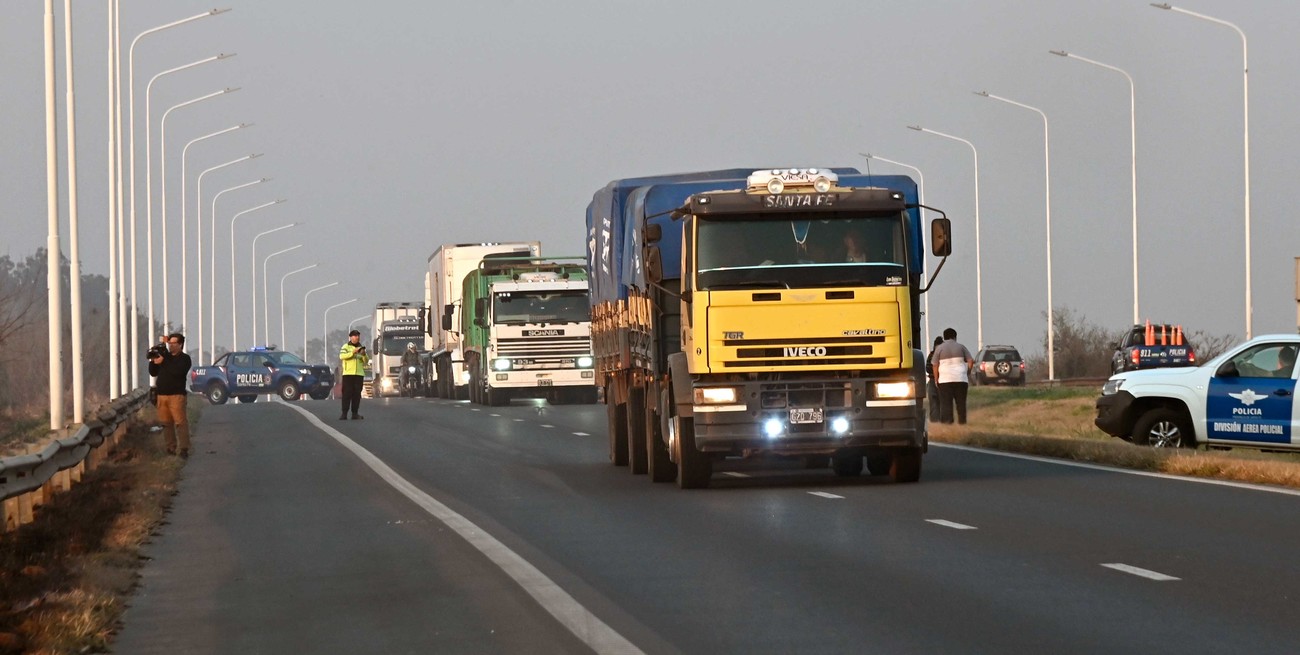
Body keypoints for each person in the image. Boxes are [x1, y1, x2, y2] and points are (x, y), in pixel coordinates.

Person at [148, 332, 193, 457]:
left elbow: (178, 372)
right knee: (166, 423)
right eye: (170, 343)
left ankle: (184, 448)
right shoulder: (164, 357)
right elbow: (153, 373)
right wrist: (153, 360)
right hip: (161, 395)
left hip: (176, 396)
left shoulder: (184, 359)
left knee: (180, 422)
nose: (171, 346)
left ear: (180, 345)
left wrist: (163, 362)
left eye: (174, 343)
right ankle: (170, 448)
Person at [931, 327, 975, 424]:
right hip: (961, 379)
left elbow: (934, 364)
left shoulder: (939, 348)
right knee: (961, 404)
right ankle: (962, 423)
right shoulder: (961, 347)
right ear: (955, 337)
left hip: (945, 380)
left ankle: (948, 423)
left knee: (946, 404)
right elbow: (971, 361)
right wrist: (967, 372)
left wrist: (936, 378)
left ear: (944, 337)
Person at [339, 330, 369, 419]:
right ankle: (344, 413)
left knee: (357, 394)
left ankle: (355, 413)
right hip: (348, 374)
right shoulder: (346, 346)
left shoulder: (361, 347)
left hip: (359, 374)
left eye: (358, 336)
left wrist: (363, 355)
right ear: (351, 337)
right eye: (355, 336)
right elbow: (342, 356)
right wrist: (353, 352)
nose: (357, 337)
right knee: (347, 394)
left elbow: (366, 361)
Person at [925, 336, 943, 422]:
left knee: (942, 403)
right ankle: (934, 421)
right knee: (933, 403)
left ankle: (942, 420)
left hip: (942, 381)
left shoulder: (944, 356)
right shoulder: (931, 355)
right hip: (932, 381)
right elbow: (927, 368)